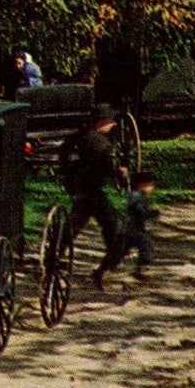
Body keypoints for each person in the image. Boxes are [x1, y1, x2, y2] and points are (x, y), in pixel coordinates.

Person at [60, 105, 129, 289]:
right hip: (92, 191)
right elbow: (106, 168)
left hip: (75, 186)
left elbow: (63, 158)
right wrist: (119, 173)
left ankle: (55, 254)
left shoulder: (75, 138)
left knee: (76, 223)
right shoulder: (101, 144)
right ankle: (111, 264)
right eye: (111, 122)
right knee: (113, 224)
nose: (113, 126)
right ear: (103, 122)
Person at [120, 170, 161, 280]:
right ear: (142, 185)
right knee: (145, 245)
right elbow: (139, 212)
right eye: (150, 185)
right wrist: (152, 213)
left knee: (125, 247)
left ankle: (114, 264)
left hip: (130, 228)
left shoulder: (135, 195)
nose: (151, 188)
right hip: (133, 228)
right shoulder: (137, 197)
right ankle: (142, 268)